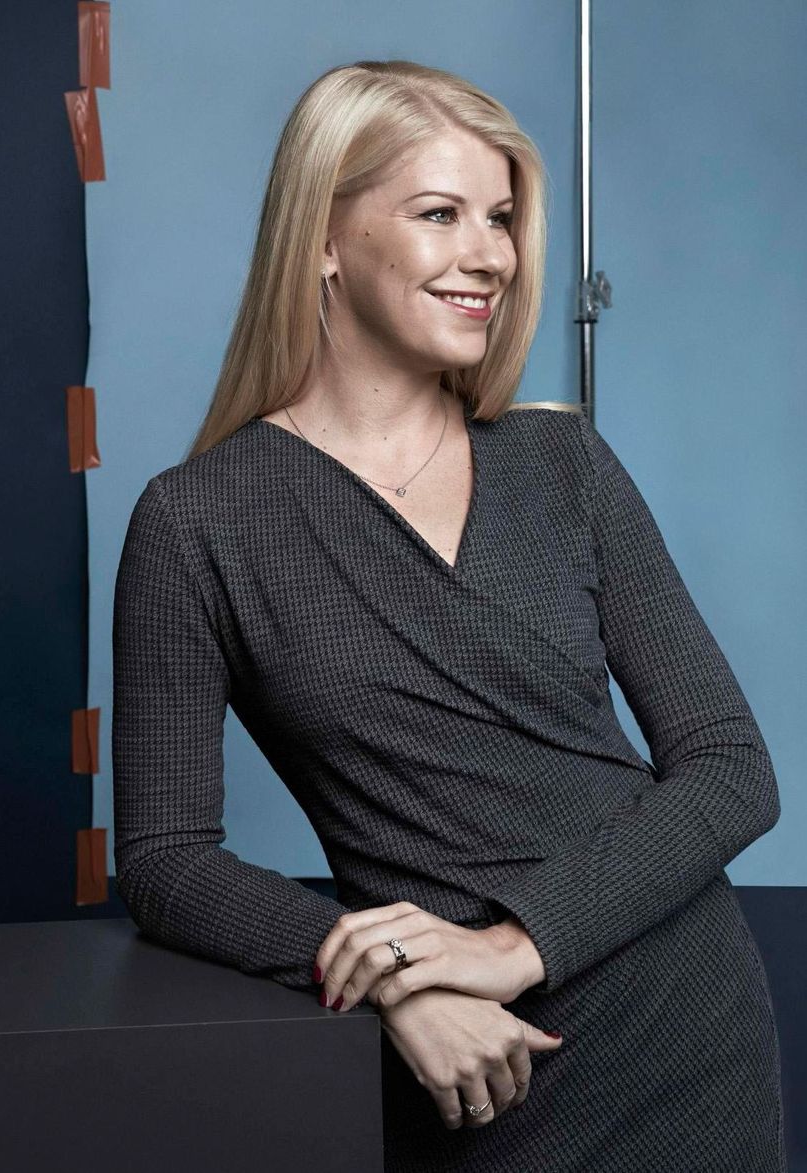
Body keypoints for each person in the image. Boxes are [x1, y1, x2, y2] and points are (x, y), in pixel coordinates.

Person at [111, 59, 786, 1172]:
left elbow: (731, 769)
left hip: (682, 1023)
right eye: (440, 214)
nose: (491, 256)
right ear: (323, 239)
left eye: (500, 218)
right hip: (472, 1063)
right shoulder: (197, 522)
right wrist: (383, 977)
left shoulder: (561, 462)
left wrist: (513, 945)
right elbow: (165, 859)